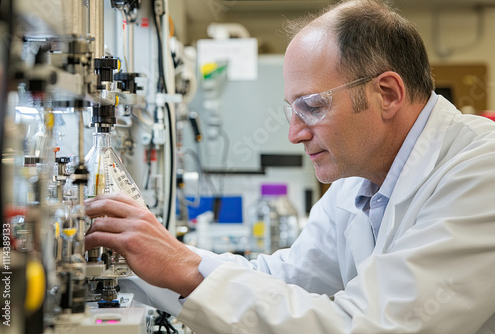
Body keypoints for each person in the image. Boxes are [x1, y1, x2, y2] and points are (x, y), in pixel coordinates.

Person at [85, 0, 495, 332]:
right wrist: (140, 254)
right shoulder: (359, 183)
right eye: (291, 112)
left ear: (386, 93)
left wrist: (184, 267)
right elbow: (285, 277)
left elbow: (368, 326)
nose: (295, 134)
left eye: (313, 107)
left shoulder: (480, 172)